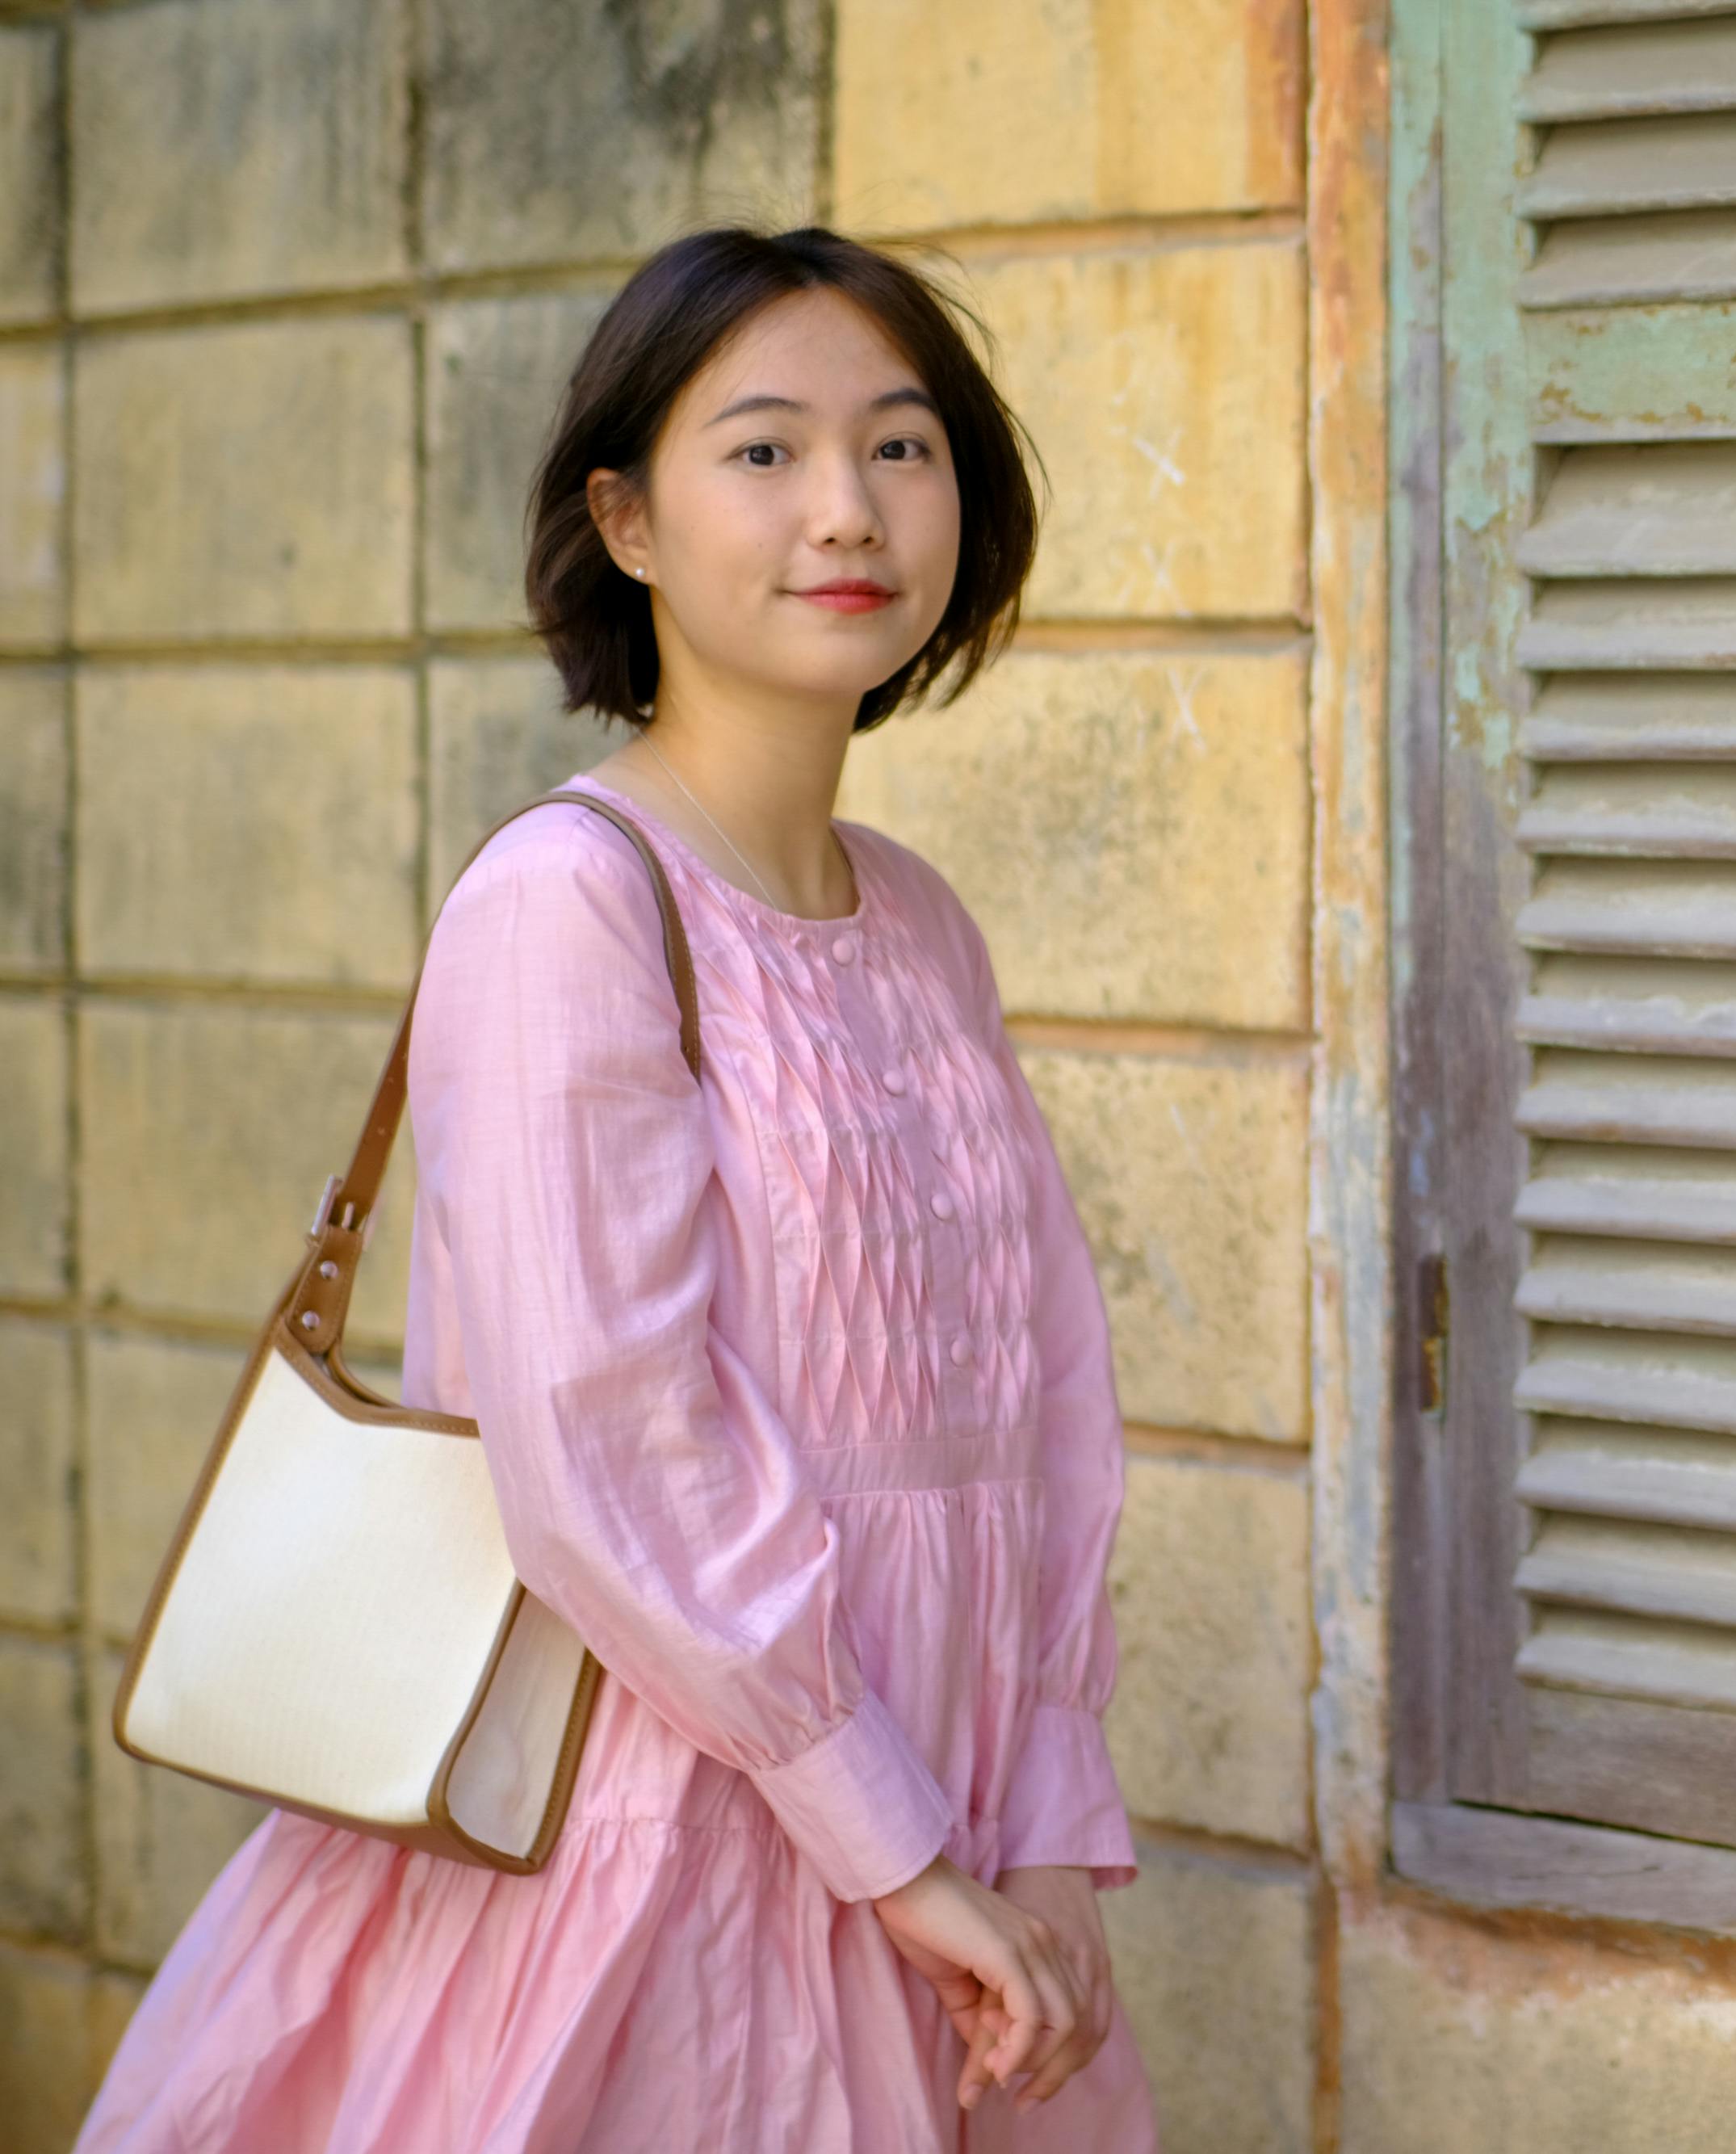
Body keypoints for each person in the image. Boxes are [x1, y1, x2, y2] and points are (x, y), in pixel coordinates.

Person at [76, 226, 1153, 2154]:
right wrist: (890, 1850)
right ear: (627, 519)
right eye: (761, 451)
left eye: (901, 447)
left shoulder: (918, 923)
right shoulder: (568, 901)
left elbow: (1045, 1403)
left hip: (952, 1827)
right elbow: (609, 1444)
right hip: (675, 1833)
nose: (846, 507)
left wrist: (1046, 1825)